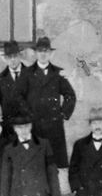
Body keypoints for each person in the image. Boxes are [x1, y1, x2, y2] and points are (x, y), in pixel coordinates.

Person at [24, 36, 76, 172]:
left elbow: (70, 95)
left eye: (46, 51)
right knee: (34, 164)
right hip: (34, 125)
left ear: (50, 53)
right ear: (35, 53)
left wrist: (63, 113)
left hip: (53, 126)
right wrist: (27, 115)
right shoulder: (27, 73)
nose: (43, 54)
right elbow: (18, 96)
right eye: (40, 51)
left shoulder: (57, 74)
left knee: (53, 165)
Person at [0, 40, 29, 134]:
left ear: (20, 56)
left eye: (15, 56)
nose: (13, 60)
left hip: (27, 126)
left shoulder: (31, 74)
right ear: (5, 58)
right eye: (9, 57)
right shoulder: (0, 79)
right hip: (8, 127)